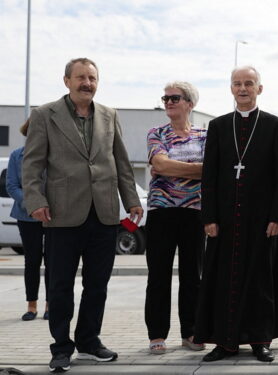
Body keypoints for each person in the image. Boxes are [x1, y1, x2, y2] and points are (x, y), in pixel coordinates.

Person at [23, 57, 143, 373]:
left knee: (97, 284)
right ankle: (61, 347)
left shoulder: (109, 115)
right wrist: (35, 199)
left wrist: (131, 200)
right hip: (61, 213)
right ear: (67, 81)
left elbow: (121, 162)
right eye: (80, 77)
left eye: (92, 77)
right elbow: (32, 164)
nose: (86, 83)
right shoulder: (44, 115)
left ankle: (89, 343)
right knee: (60, 284)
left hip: (103, 213)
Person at [194, 66, 278, 363]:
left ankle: (260, 340)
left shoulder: (275, 125)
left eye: (248, 83)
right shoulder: (218, 126)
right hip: (225, 220)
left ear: (259, 88)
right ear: (231, 89)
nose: (242, 88)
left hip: (262, 220)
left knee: (260, 280)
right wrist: (209, 218)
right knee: (222, 280)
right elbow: (210, 176)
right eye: (237, 84)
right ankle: (224, 342)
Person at [144, 82, 206, 354]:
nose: (168, 102)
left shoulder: (205, 136)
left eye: (174, 98)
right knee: (159, 274)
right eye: (165, 98)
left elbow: (213, 170)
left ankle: (191, 332)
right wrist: (195, 169)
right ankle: (157, 334)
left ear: (190, 103)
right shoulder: (156, 133)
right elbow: (159, 164)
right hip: (162, 213)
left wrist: (171, 169)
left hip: (194, 213)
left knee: (193, 275)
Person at [8, 120, 48, 321]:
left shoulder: (54, 156)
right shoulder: (17, 156)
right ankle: (31, 306)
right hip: (27, 215)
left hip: (53, 216)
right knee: (32, 261)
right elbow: (12, 186)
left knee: (54, 261)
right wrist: (33, 205)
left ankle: (51, 305)